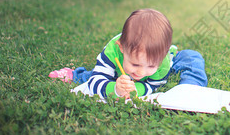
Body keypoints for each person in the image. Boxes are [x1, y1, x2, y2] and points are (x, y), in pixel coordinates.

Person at [49, 9, 208, 99]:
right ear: (122, 48)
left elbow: (152, 85)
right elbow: (97, 80)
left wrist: (135, 90)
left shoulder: (163, 62)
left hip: (172, 59)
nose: (140, 72)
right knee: (101, 76)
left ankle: (191, 86)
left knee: (192, 57)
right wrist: (116, 90)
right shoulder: (112, 52)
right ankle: (76, 75)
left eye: (150, 65)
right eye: (135, 64)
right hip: (118, 70)